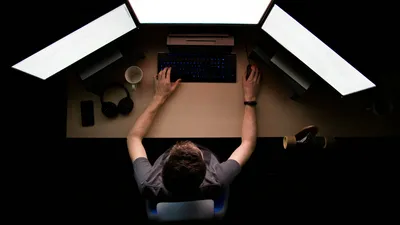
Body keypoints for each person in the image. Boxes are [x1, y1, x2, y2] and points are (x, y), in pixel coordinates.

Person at [127, 65, 261, 201]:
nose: (190, 142)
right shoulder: (217, 179)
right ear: (205, 170)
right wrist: (250, 97)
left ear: (163, 169)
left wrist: (159, 97)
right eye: (198, 152)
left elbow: (133, 137)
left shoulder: (148, 184)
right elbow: (248, 143)